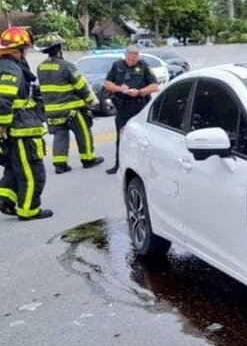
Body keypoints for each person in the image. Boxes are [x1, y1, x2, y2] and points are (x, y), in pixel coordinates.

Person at [0, 26, 52, 220]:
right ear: (17, 49)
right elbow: (3, 100)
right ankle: (29, 210)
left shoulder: (6, 66)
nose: (26, 53)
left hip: (17, 129)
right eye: (25, 49)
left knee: (14, 168)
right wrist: (3, 127)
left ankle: (5, 199)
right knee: (33, 172)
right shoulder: (10, 68)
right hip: (20, 130)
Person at [37, 33, 104, 174]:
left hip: (51, 111)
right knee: (83, 133)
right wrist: (92, 101)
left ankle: (60, 165)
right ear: (60, 48)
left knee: (60, 136)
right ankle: (88, 160)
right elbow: (81, 86)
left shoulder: (40, 68)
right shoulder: (67, 66)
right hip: (72, 110)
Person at [103, 45, 158, 174]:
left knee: (143, 138)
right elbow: (107, 84)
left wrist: (139, 92)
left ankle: (145, 166)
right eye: (129, 59)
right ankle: (119, 164)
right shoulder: (117, 65)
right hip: (123, 106)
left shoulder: (144, 66)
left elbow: (154, 86)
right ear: (125, 55)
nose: (132, 62)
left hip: (140, 106)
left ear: (138, 56)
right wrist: (119, 89)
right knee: (121, 137)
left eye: (134, 59)